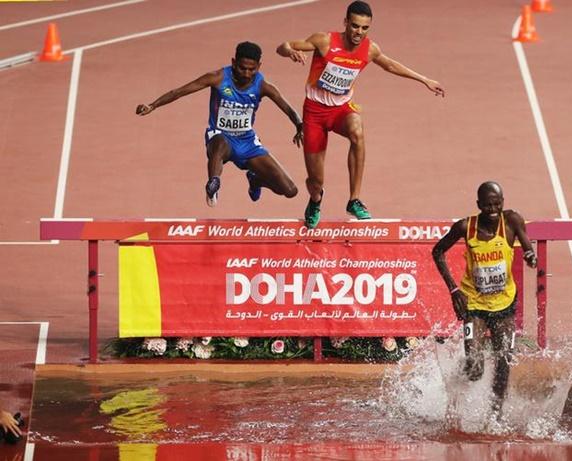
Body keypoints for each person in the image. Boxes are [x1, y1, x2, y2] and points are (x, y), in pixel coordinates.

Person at [276, 1, 445, 228]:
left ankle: (354, 200)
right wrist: (290, 52)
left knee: (357, 129)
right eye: (355, 26)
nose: (359, 32)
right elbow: (283, 45)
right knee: (315, 181)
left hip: (341, 110)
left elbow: (390, 65)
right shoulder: (324, 40)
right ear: (346, 23)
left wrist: (425, 80)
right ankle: (315, 200)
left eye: (365, 28)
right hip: (314, 113)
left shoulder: (369, 49)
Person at [137, 41, 302, 207]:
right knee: (220, 142)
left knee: (289, 190)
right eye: (242, 68)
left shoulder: (263, 86)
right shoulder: (218, 78)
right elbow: (179, 92)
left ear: (259, 66)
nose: (246, 73)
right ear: (233, 63)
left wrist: (299, 125)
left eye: (251, 69)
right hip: (220, 137)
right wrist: (153, 105)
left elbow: (288, 108)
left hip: (247, 142)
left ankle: (256, 180)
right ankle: (213, 184)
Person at [432, 181, 537, 413]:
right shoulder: (464, 227)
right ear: (478, 205)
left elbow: (527, 244)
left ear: (503, 203)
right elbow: (437, 252)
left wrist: (530, 255)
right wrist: (453, 290)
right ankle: (457, 375)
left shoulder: (511, 221)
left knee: (504, 362)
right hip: (474, 305)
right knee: (475, 369)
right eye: (487, 205)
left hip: (504, 305)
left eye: (496, 205)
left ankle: (495, 414)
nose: (492, 210)